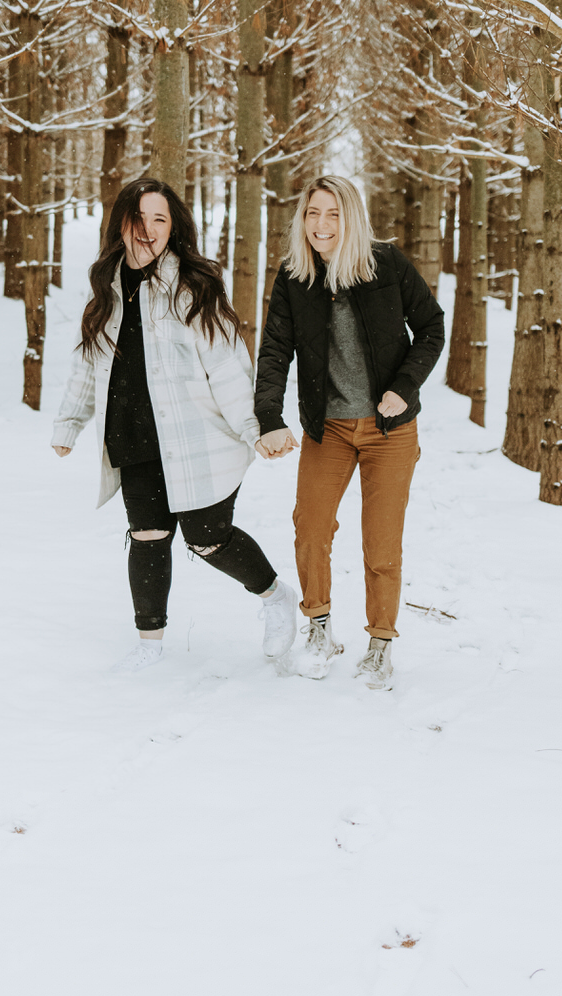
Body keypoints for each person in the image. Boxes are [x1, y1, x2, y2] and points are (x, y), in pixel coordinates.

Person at [52, 178, 298, 672]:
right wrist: (69, 423)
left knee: (207, 537)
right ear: (121, 224)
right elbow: (90, 363)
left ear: (173, 228)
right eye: (138, 218)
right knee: (146, 536)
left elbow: (228, 369)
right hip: (132, 435)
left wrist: (256, 429)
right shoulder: (106, 287)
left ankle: (275, 596)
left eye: (159, 219)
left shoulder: (193, 288)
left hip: (195, 439)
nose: (147, 229)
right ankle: (149, 644)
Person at [254, 175, 445, 689]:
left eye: (333, 214)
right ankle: (319, 628)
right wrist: (269, 417)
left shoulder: (386, 265)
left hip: (390, 430)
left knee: (381, 542)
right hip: (328, 429)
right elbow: (274, 350)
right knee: (311, 527)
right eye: (313, 213)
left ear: (352, 217)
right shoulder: (294, 276)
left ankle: (380, 645)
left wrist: (404, 387)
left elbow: (431, 327)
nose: (321, 225)